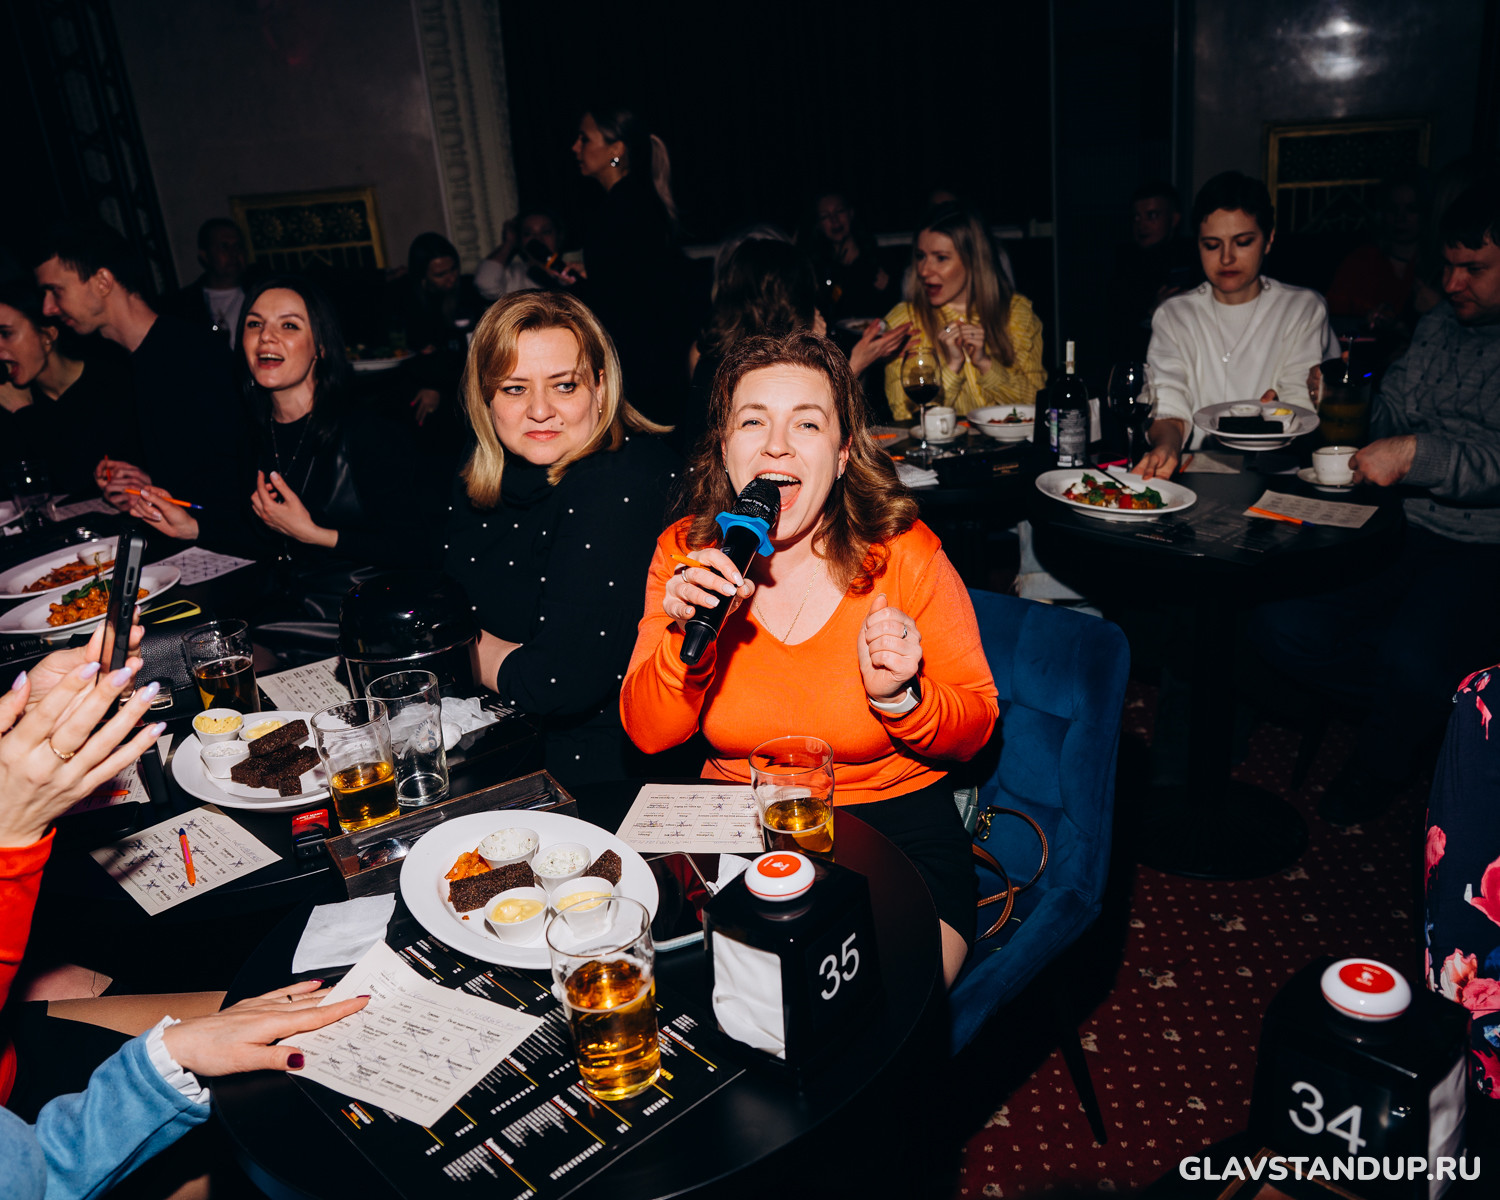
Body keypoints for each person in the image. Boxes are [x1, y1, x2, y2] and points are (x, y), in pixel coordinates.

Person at [622, 331, 999, 988]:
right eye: (753, 422)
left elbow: (978, 729)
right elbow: (649, 734)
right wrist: (689, 643)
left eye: (807, 423)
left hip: (891, 825)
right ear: (724, 447)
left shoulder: (904, 553)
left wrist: (901, 699)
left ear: (844, 451)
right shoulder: (685, 554)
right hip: (734, 821)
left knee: (871, 1016)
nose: (777, 445)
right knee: (683, 998)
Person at [1250, 180, 1500, 824]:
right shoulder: (1439, 326)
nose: (1451, 283)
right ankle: (1426, 709)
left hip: (1482, 547)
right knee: (1282, 622)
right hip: (1398, 527)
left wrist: (1418, 455)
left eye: (1474, 269)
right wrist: (1342, 398)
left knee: (1413, 656)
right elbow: (1390, 416)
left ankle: (1384, 757)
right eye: (1447, 265)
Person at [443, 290, 677, 788]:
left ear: (600, 387)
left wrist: (454, 644)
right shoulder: (488, 467)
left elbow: (555, 681)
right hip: (496, 739)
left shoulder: (621, 481)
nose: (539, 410)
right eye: (514, 389)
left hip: (596, 774)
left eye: (564, 385)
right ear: (485, 397)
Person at [126, 277, 444, 613]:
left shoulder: (367, 432)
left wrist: (316, 533)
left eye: (289, 325)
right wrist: (192, 528)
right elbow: (265, 538)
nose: (266, 336)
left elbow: (420, 548)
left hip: (366, 611)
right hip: (290, 605)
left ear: (320, 346)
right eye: (255, 324)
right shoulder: (254, 432)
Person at [33, 220, 250, 513]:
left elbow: (236, 479)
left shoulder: (192, 354)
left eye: (55, 290)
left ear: (103, 282)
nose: (47, 308)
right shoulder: (126, 362)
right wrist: (148, 484)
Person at [1135, 172, 1338, 480]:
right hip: (1198, 475)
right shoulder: (1175, 314)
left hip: (1278, 475)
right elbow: (1168, 401)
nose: (1227, 258)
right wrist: (1166, 447)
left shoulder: (1302, 308)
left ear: (1269, 240)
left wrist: (1280, 411)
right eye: (1211, 245)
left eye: (1242, 242)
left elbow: (1300, 399)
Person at [682, 239, 910, 452]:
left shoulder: (701, 350)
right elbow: (814, 430)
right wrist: (847, 362)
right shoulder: (771, 369)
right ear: (793, 301)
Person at [570, 103, 692, 426]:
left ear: (616, 149)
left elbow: (625, 297)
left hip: (640, 363)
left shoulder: (622, 208)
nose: (575, 147)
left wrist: (582, 288)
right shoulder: (635, 201)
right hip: (653, 357)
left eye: (585, 139)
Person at [883, 203, 1046, 419]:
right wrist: (952, 367)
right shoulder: (905, 321)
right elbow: (905, 416)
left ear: (973, 261)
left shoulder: (1015, 312)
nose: (924, 270)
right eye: (921, 256)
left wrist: (985, 363)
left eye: (940, 258)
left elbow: (1037, 404)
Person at [0, 279, 138, 493]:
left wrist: (25, 413)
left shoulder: (112, 383)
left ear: (48, 335)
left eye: (6, 334)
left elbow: (80, 479)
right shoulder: (9, 397)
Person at [394, 232, 488, 431]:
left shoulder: (467, 291)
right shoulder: (406, 298)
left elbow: (472, 351)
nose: (451, 278)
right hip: (418, 384)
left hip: (463, 383)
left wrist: (439, 388)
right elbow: (407, 352)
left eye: (453, 269)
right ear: (422, 276)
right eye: (440, 274)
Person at [1107, 181, 1202, 361]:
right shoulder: (1124, 265)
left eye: (1152, 216)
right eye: (1136, 217)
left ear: (1174, 219)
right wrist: (1153, 313)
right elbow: (1116, 333)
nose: (1141, 224)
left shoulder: (1194, 256)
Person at [802, 191, 894, 323]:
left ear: (851, 213)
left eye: (839, 211)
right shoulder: (816, 268)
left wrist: (888, 289)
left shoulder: (878, 260)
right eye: (825, 216)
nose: (834, 220)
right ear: (818, 225)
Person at [159, 218, 252, 347]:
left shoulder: (260, 292)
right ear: (205, 255)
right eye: (224, 247)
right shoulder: (184, 305)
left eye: (238, 246)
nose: (233, 253)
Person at [475, 211, 574, 302]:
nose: (538, 239)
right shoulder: (513, 276)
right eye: (528, 234)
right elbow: (485, 283)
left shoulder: (572, 270)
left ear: (558, 236)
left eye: (546, 232)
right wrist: (509, 243)